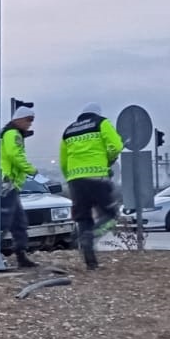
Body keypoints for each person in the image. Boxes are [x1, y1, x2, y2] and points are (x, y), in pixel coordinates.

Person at [58, 104, 125, 269]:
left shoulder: (69, 131)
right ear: (97, 113)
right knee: (111, 215)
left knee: (83, 219)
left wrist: (70, 178)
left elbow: (63, 161)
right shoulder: (101, 123)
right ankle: (90, 235)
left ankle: (91, 263)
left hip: (75, 181)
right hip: (97, 177)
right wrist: (108, 160)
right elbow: (116, 146)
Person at [0, 103, 39, 269]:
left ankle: (21, 256)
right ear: (19, 119)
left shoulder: (11, 133)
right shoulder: (13, 134)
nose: (30, 123)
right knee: (5, 220)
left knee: (18, 222)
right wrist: (31, 170)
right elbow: (15, 155)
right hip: (7, 183)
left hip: (11, 184)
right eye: (29, 119)